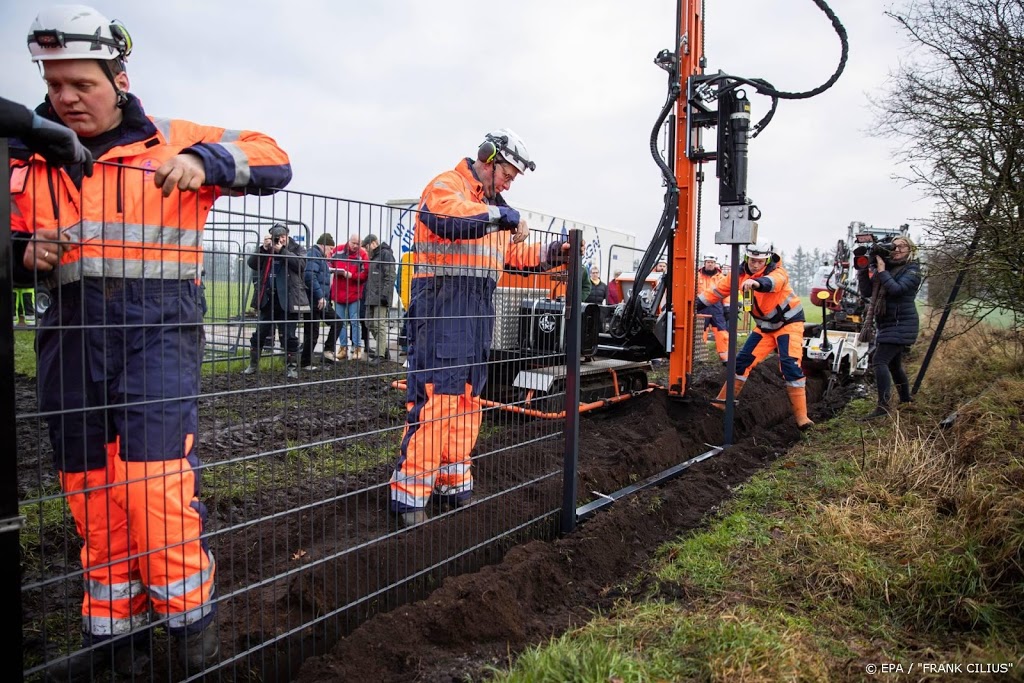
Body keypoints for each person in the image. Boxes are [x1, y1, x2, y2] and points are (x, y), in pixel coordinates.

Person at [9, 6, 292, 676]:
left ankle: (191, 631)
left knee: (153, 488)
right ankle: (113, 640)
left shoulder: (170, 138)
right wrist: (21, 252)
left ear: (120, 77)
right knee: (91, 496)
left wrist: (206, 161)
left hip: (157, 334)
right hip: (71, 339)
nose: (67, 97)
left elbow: (273, 153)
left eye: (83, 83)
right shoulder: (25, 154)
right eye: (55, 85)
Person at [389, 128, 567, 527]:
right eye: (507, 173)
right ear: (487, 160)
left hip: (475, 311)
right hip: (441, 305)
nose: (509, 182)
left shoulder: (492, 209)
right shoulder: (448, 186)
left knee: (468, 400)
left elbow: (514, 255)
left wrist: (554, 252)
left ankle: (453, 483)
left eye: (513, 179)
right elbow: (446, 217)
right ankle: (411, 496)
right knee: (437, 399)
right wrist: (503, 215)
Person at [697, 242, 814, 430]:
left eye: (760, 261)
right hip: (764, 328)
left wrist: (757, 283)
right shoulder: (738, 275)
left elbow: (772, 283)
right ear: (746, 258)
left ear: (767, 259)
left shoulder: (778, 271)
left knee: (789, 365)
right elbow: (715, 292)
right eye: (752, 260)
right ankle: (720, 404)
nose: (756, 264)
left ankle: (802, 419)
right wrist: (693, 305)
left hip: (788, 324)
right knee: (741, 363)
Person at [858, 236, 921, 418]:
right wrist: (863, 269)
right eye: (895, 246)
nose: (898, 249)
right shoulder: (889, 267)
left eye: (903, 246)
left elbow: (897, 289)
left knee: (879, 361)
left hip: (902, 323)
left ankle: (883, 408)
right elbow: (867, 292)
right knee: (894, 365)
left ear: (911, 250)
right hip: (888, 323)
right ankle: (906, 400)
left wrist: (882, 270)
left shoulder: (913, 270)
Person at [243, 225, 309, 378]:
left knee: (289, 336)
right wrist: (263, 249)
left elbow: (301, 265)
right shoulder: (267, 250)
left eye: (282, 236)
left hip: (289, 299)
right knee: (260, 333)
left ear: (287, 235)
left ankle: (291, 368)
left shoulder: (297, 248)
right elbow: (252, 264)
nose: (280, 239)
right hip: (268, 298)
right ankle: (253, 365)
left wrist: (283, 251)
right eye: (276, 237)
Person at [300, 233, 342, 367]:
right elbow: (309, 277)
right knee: (312, 333)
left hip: (321, 300)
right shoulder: (314, 255)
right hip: (314, 300)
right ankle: (305, 363)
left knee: (337, 322)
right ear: (324, 245)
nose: (331, 252)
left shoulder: (319, 257)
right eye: (330, 249)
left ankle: (328, 352)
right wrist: (320, 296)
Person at [330, 234, 368, 360]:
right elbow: (328, 264)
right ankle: (343, 348)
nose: (355, 246)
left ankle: (357, 348)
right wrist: (334, 270)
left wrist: (352, 276)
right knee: (340, 322)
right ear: (349, 241)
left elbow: (365, 274)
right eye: (353, 243)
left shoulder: (362, 255)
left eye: (358, 244)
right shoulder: (337, 250)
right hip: (338, 292)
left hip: (354, 293)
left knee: (354, 321)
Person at [362, 233, 397, 364]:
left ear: (373, 243)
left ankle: (380, 354)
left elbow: (390, 275)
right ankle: (383, 350)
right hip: (371, 296)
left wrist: (385, 295)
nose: (366, 250)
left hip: (380, 297)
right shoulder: (375, 256)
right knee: (369, 324)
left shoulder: (385, 255)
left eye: (366, 247)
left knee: (379, 325)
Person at [697, 254, 730, 362]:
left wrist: (727, 308)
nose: (710, 264)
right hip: (701, 307)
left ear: (715, 264)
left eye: (712, 262)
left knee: (721, 332)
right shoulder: (696, 276)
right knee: (700, 332)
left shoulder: (721, 278)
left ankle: (725, 357)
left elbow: (726, 293)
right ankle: (699, 357)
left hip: (717, 308)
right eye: (708, 262)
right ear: (705, 263)